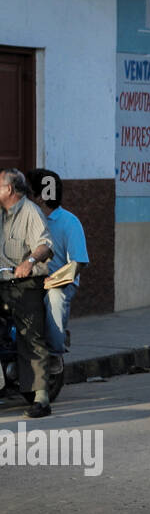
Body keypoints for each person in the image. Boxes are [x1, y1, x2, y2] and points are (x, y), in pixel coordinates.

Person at [0, 169, 55, 418]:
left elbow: (44, 245)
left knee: (30, 334)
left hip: (26, 283)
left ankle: (41, 397)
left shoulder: (30, 212)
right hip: (1, 283)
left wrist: (29, 261)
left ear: (9, 189)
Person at [28, 168, 89, 380]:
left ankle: (54, 352)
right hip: (27, 281)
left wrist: (53, 280)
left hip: (59, 282)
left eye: (29, 193)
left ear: (41, 197)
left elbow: (78, 261)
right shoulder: (24, 220)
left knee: (54, 299)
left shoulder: (69, 222)